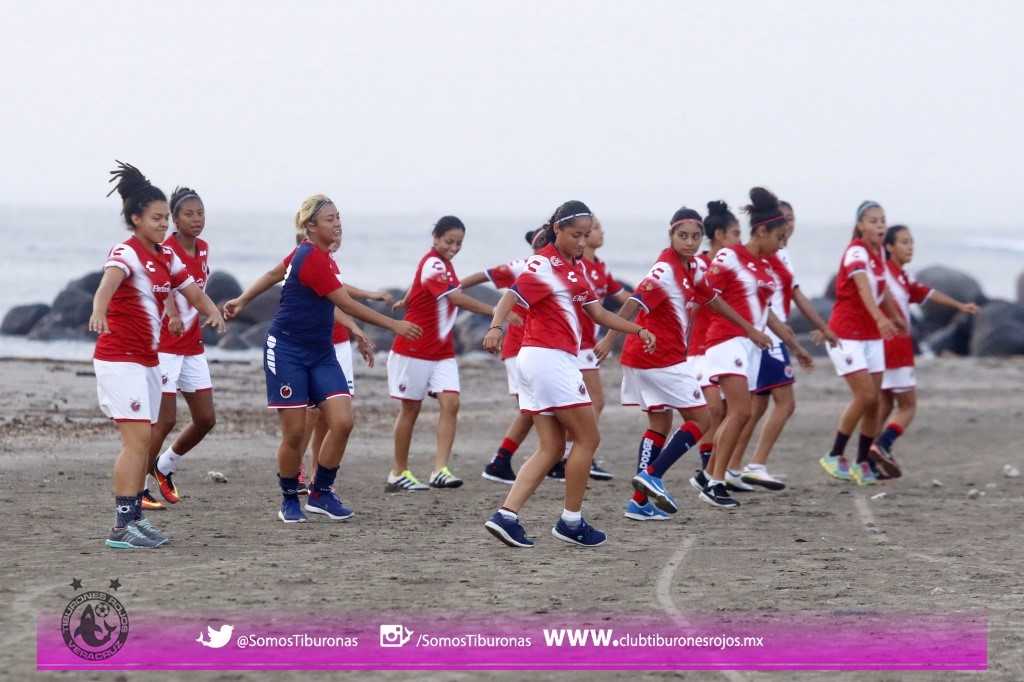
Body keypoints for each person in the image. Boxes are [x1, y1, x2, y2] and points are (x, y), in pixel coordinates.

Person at [224, 195, 421, 523]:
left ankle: (321, 493)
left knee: (343, 421)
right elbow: (345, 303)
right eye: (330, 219)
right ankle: (289, 497)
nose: (338, 223)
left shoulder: (323, 258)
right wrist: (394, 325)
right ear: (311, 227)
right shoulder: (309, 257)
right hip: (286, 350)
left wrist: (243, 299)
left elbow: (277, 273)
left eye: (339, 217)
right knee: (296, 433)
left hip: (320, 352)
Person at [481, 200, 656, 548]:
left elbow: (600, 315)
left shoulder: (575, 269)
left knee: (552, 445)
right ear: (557, 229)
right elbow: (511, 297)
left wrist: (637, 331)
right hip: (548, 360)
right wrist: (496, 328)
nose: (581, 241)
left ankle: (506, 515)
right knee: (588, 440)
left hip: (542, 360)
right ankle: (571, 522)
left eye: (585, 235)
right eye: (575, 235)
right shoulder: (544, 262)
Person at [595, 207, 771, 521]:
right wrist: (609, 338)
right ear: (671, 235)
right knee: (702, 419)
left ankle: (639, 502)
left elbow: (713, 300)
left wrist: (749, 328)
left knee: (659, 425)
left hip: (643, 357)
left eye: (695, 237)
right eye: (683, 236)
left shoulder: (692, 267)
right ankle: (653, 475)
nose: (689, 242)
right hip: (658, 356)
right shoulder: (665, 270)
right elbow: (634, 302)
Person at [90, 162, 225, 549]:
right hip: (121, 359)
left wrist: (211, 310)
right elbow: (107, 285)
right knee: (136, 442)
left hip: (148, 360)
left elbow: (191, 291)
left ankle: (134, 518)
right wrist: (99, 310)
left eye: (166, 218)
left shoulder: (166, 256)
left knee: (144, 437)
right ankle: (121, 526)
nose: (164, 224)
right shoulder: (126, 252)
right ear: (135, 218)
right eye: (157, 218)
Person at [697, 188, 813, 509]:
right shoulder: (729, 255)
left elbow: (768, 315)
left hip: (749, 345)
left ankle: (712, 478)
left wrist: (795, 346)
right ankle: (715, 481)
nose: (781, 244)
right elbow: (708, 294)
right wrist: (748, 328)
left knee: (739, 412)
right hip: (726, 340)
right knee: (742, 412)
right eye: (778, 237)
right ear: (760, 231)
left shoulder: (764, 268)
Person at [723, 200, 838, 492]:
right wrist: (815, 331)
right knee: (784, 404)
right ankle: (751, 465)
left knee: (757, 406)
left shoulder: (779, 255)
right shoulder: (769, 255)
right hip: (768, 335)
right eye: (783, 219)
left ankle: (732, 468)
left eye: (792, 218)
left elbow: (794, 293)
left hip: (770, 332)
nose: (788, 225)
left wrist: (820, 326)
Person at [386, 216, 499, 492]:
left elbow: (419, 282)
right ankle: (398, 472)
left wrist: (408, 298)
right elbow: (454, 297)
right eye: (449, 241)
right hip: (414, 347)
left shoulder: (443, 265)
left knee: (451, 403)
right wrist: (495, 311)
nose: (454, 247)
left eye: (459, 243)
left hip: (442, 351)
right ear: (435, 238)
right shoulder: (433, 262)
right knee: (410, 409)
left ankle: (440, 470)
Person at [871, 225, 977, 473]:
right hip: (895, 346)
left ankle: (867, 457)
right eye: (904, 242)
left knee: (885, 404)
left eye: (912, 242)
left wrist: (959, 305)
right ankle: (882, 444)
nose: (910, 247)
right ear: (889, 247)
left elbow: (928, 293)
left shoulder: (900, 275)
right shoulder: (886, 275)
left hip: (880, 346)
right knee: (908, 406)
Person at [818, 201, 905, 485]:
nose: (880, 225)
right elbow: (864, 289)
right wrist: (880, 318)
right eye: (873, 220)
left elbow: (883, 291)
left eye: (882, 220)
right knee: (865, 395)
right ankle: (833, 454)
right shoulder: (856, 251)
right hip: (846, 335)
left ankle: (861, 462)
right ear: (860, 225)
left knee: (874, 403)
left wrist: (894, 315)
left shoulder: (878, 252)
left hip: (871, 337)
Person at [459, 228, 550, 485]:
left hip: (540, 350)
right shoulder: (525, 266)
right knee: (534, 409)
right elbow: (484, 275)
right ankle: (508, 460)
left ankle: (508, 460)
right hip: (521, 348)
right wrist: (450, 288)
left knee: (535, 409)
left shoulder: (561, 270)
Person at [145, 186, 217, 508]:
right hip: (165, 348)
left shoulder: (203, 249)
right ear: (174, 219)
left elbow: (195, 292)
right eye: (189, 213)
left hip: (193, 347)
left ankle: (165, 465)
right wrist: (171, 314)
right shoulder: (165, 248)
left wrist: (216, 309)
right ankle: (137, 488)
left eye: (200, 212)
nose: (196, 219)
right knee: (164, 420)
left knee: (206, 419)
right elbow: (167, 291)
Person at [570, 217, 632, 481]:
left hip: (587, 344)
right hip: (575, 342)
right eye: (596, 229)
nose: (600, 233)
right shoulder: (576, 265)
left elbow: (623, 297)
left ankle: (573, 453)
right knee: (594, 400)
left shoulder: (600, 268)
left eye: (599, 229)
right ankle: (577, 453)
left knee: (587, 401)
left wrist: (650, 300)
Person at [685, 202, 742, 486]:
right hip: (698, 348)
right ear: (719, 234)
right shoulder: (702, 265)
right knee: (714, 411)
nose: (739, 240)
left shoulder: (733, 266)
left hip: (720, 347)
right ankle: (708, 470)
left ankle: (715, 469)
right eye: (735, 233)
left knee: (729, 410)